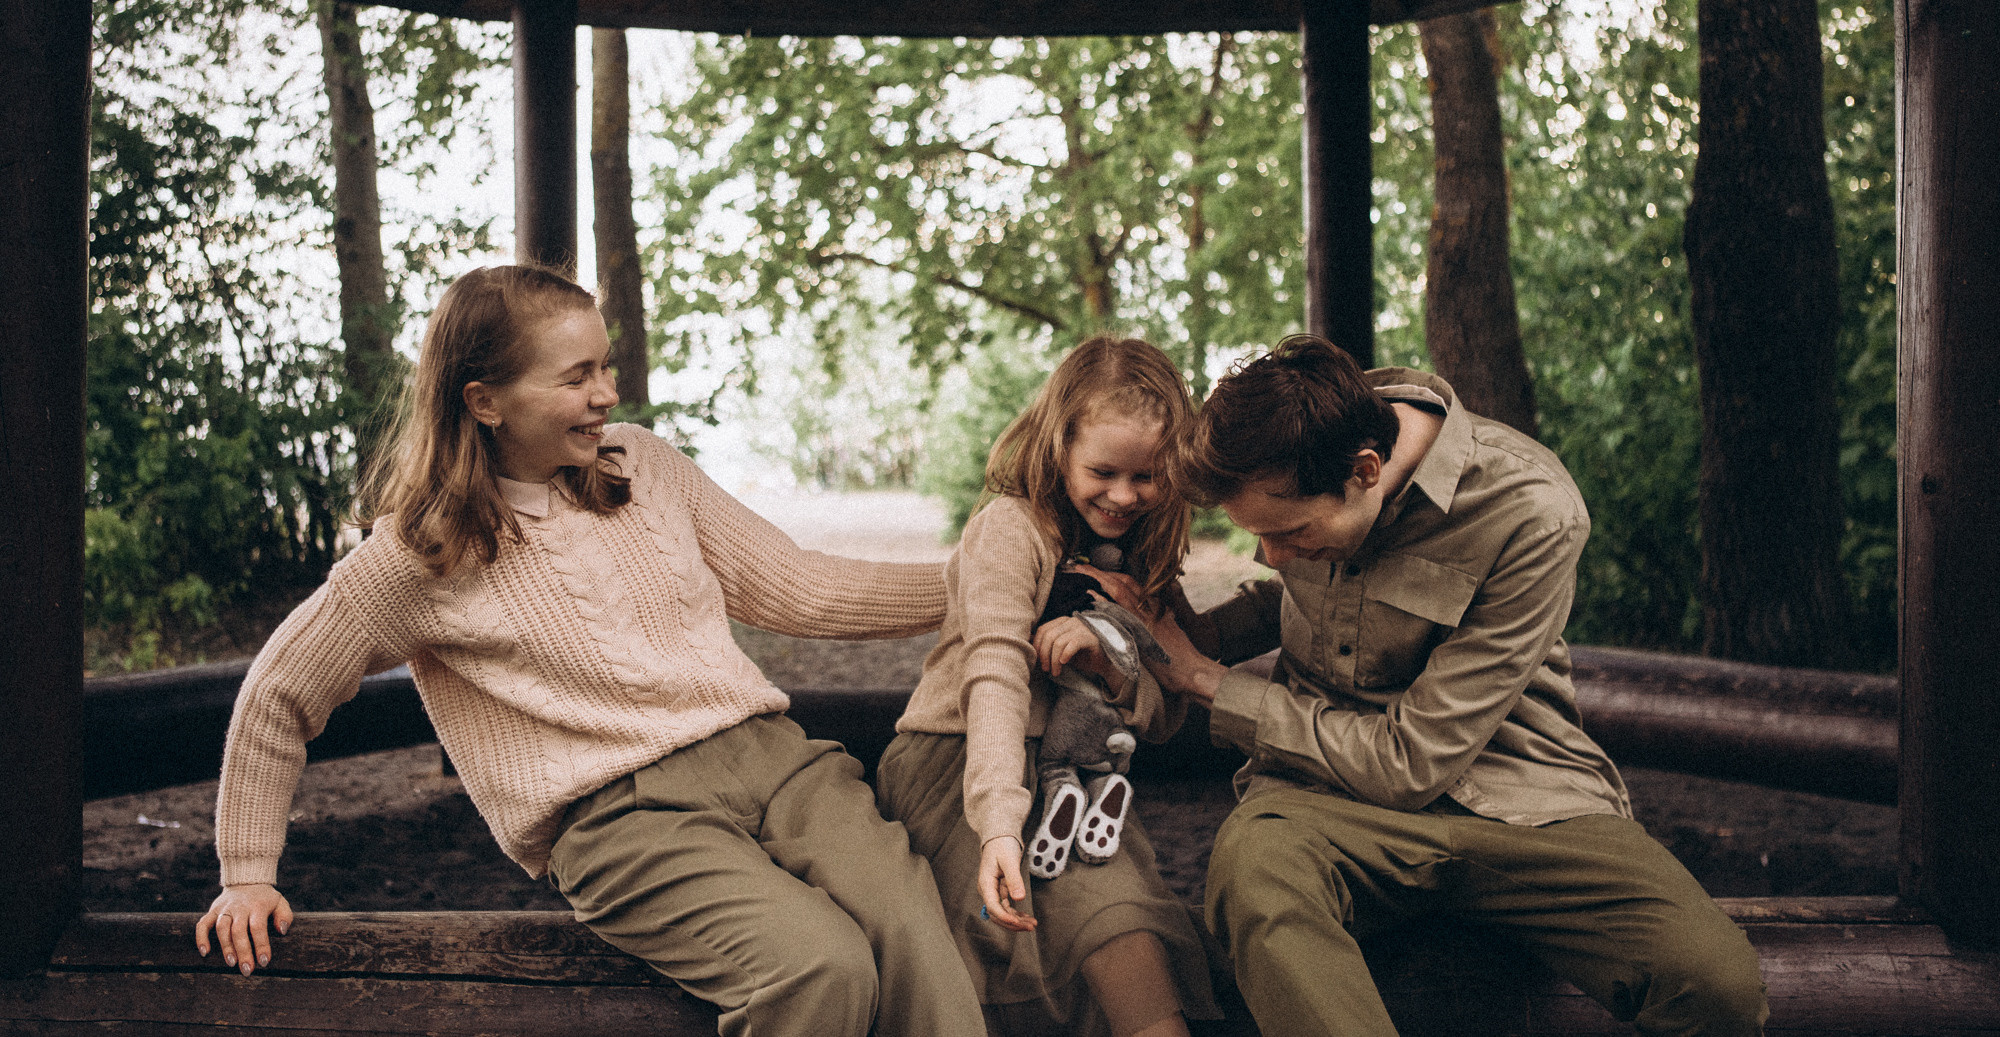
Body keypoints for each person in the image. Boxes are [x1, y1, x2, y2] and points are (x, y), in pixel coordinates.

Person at [193, 265, 983, 1037]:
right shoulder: (420, 552)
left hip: (775, 761)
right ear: (485, 401)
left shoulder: (643, 465)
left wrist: (990, 586)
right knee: (818, 968)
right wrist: (247, 872)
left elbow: (800, 588)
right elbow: (278, 693)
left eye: (605, 366)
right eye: (577, 377)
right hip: (626, 820)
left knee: (916, 931)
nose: (606, 392)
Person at [1102, 335, 1768, 1037]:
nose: (1274, 557)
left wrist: (1209, 682)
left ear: (1366, 470)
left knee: (1717, 984)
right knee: (1252, 869)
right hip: (1326, 809)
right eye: (1262, 540)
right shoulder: (1308, 451)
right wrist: (1183, 630)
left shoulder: (1532, 507)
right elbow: (1300, 594)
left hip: (1525, 801)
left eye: (1291, 534)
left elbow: (1410, 761)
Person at [875, 337, 1221, 1037]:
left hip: (1075, 776)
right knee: (1033, 920)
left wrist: (1108, 661)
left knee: (1119, 915)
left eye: (1148, 477)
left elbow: (1160, 717)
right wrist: (1000, 820)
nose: (1125, 495)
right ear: (1059, 443)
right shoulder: (1012, 527)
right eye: (1104, 471)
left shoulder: (1139, 555)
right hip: (963, 762)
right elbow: (996, 674)